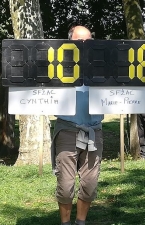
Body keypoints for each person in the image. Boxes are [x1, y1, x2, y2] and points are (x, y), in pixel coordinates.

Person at [51, 26, 104, 225]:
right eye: (79, 41)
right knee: (65, 185)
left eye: (88, 41)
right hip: (67, 130)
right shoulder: (57, 66)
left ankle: (80, 222)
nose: (84, 44)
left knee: (90, 184)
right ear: (70, 41)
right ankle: (65, 223)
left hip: (94, 131)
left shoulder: (102, 66)